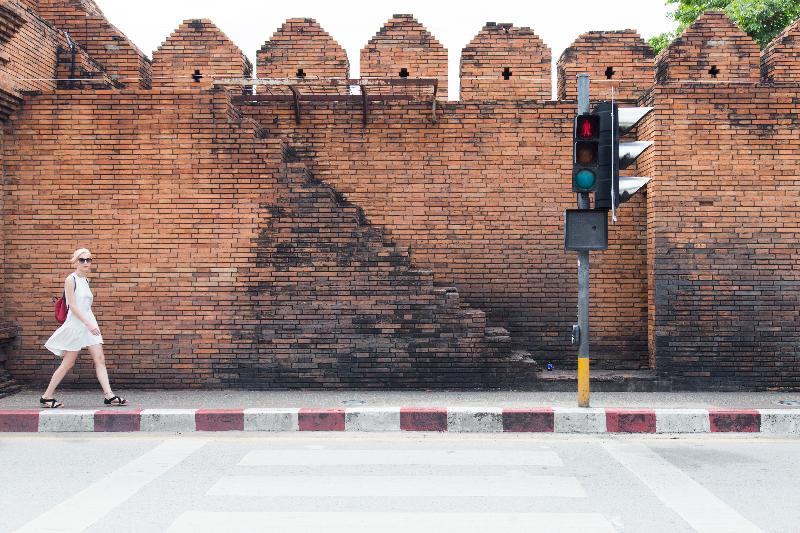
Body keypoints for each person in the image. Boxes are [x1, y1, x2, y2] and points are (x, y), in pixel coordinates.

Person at [39, 248, 126, 408]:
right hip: (77, 324)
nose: (86, 263)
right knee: (68, 362)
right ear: (75, 261)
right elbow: (72, 305)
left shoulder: (86, 280)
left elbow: (86, 306)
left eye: (89, 260)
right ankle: (47, 396)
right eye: (82, 260)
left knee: (100, 359)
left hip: (88, 323)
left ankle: (109, 396)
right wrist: (88, 324)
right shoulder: (70, 279)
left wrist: (91, 324)